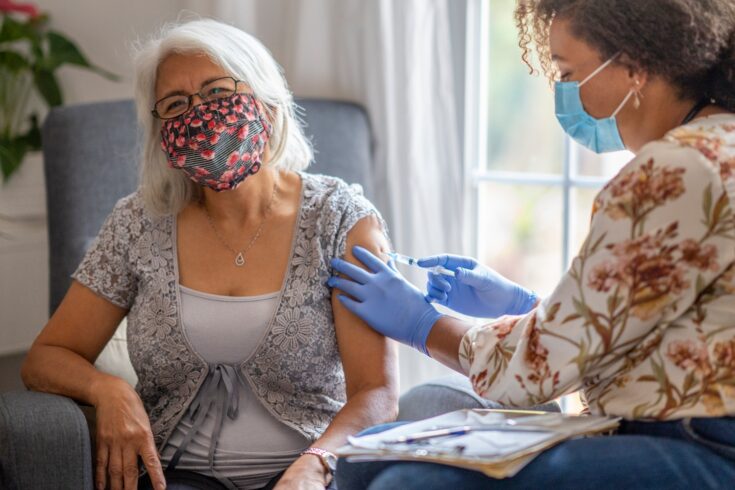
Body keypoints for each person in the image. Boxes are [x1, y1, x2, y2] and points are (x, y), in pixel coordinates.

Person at [329, 0, 735, 488]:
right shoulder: (718, 145)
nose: (563, 93)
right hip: (690, 430)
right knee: (361, 463)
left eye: (567, 72)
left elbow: (537, 372)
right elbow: (656, 323)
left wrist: (425, 325)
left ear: (634, 66)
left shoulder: (675, 170)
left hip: (702, 446)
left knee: (403, 484)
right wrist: (531, 308)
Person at [21, 19, 399, 490]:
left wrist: (315, 465)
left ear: (265, 99)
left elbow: (376, 392)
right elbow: (45, 357)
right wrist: (107, 389)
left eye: (218, 93)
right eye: (176, 105)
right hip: (174, 476)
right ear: (162, 135)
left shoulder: (341, 220)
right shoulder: (138, 222)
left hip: (312, 474)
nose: (199, 115)